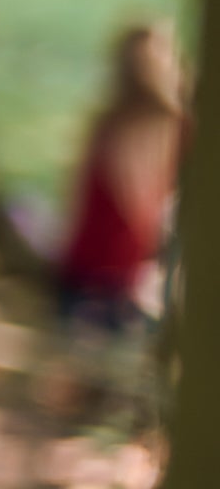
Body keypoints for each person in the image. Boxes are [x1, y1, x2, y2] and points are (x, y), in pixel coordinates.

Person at [56, 20, 187, 326]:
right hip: (112, 274)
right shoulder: (139, 121)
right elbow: (141, 204)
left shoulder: (113, 119)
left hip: (98, 269)